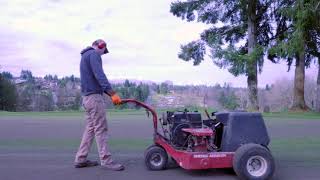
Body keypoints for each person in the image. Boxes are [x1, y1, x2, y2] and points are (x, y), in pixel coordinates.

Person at [74, 39, 124, 171]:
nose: (102, 54)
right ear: (100, 46)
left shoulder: (85, 56)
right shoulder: (94, 54)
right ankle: (106, 160)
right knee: (101, 128)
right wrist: (112, 93)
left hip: (87, 99)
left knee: (91, 129)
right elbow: (99, 75)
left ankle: (81, 159)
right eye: (103, 51)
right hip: (95, 98)